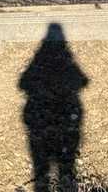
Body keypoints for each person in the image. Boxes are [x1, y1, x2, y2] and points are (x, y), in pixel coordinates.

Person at [18, 23, 89, 192]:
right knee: (65, 152)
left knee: (42, 156)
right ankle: (63, 178)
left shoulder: (39, 62)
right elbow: (83, 81)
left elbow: (22, 84)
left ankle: (46, 181)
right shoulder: (69, 63)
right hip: (63, 114)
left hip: (40, 116)